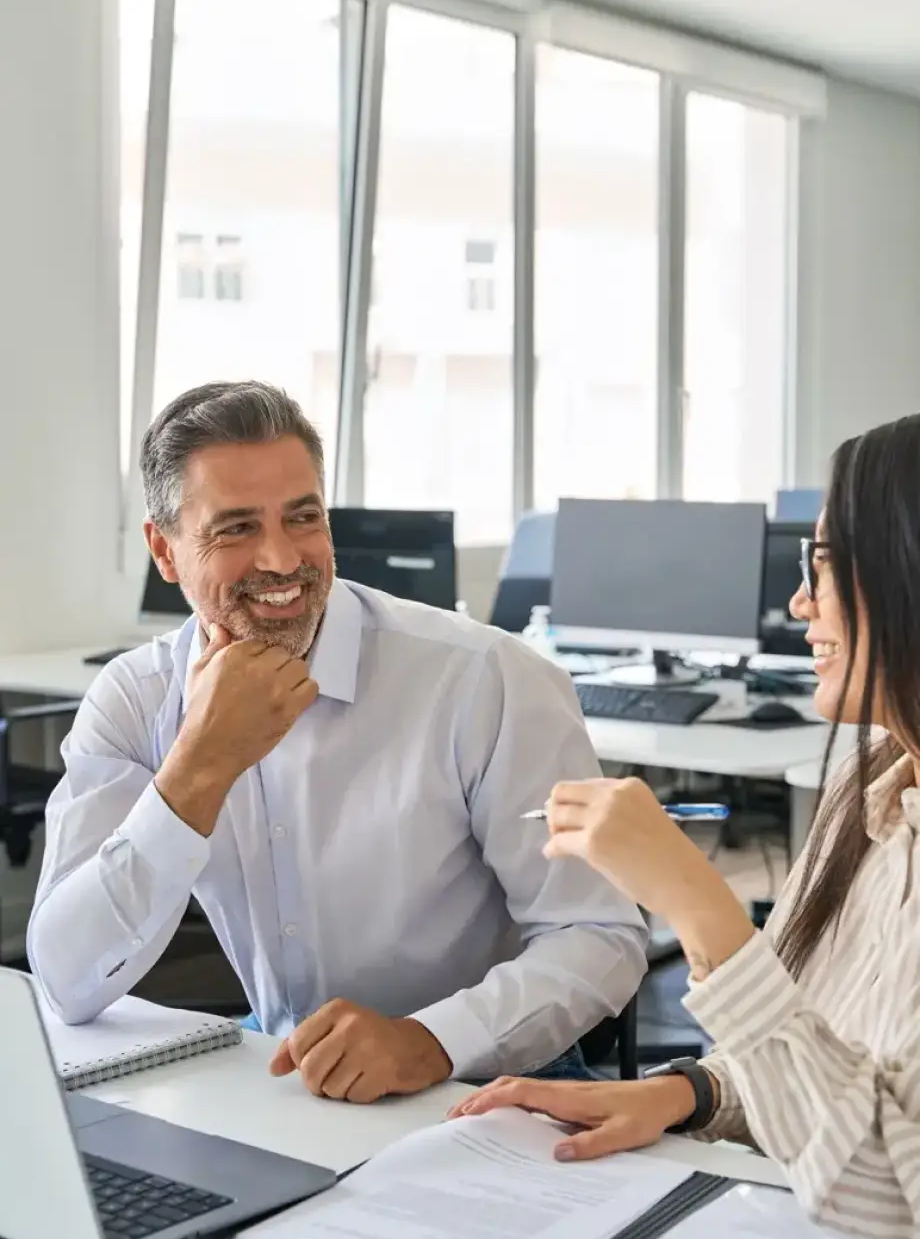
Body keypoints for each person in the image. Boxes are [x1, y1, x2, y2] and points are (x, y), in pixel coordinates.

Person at [29, 380, 646, 1102]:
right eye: (235, 528)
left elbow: (600, 933)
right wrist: (200, 763)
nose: (284, 560)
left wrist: (429, 1041)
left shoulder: (484, 677)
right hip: (287, 1070)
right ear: (164, 550)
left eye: (303, 517)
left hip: (490, 1078)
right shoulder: (135, 699)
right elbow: (66, 978)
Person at [453, 412, 920, 1239]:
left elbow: (892, 1194)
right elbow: (820, 1062)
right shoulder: (869, 783)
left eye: (821, 565)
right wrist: (686, 1094)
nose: (798, 603)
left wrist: (698, 907)